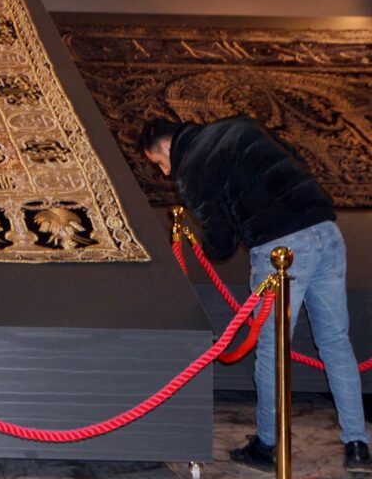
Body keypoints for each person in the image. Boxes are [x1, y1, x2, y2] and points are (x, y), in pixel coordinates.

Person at [141, 115, 371, 474]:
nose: (165, 173)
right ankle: (357, 444)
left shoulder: (192, 168)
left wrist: (206, 241)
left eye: (160, 163)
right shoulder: (241, 125)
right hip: (325, 230)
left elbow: (221, 242)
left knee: (271, 351)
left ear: (168, 147)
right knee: (336, 343)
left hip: (280, 250)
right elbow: (295, 157)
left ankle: (267, 445)